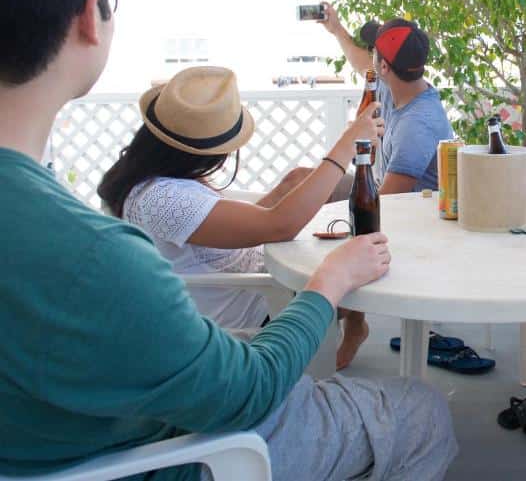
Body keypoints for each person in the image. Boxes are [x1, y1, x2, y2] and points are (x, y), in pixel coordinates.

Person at [0, 0, 456, 480]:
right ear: (91, 15)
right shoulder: (97, 260)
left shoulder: (89, 223)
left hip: (109, 420)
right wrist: (331, 281)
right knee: (424, 410)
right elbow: (251, 390)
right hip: (174, 448)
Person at [97, 65, 384, 369]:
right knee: (357, 238)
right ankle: (354, 322)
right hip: (261, 304)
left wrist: (292, 186)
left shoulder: (149, 178)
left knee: (314, 182)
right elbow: (279, 225)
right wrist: (346, 146)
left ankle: (356, 326)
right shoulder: (164, 199)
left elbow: (211, 229)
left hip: (246, 274)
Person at [320, 5, 454, 194]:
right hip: (380, 193)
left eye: (373, 50)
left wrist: (351, 144)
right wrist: (336, 28)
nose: (369, 54)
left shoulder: (417, 125)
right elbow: (360, 62)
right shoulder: (396, 81)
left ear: (383, 67)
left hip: (403, 214)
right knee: (298, 178)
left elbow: (385, 203)